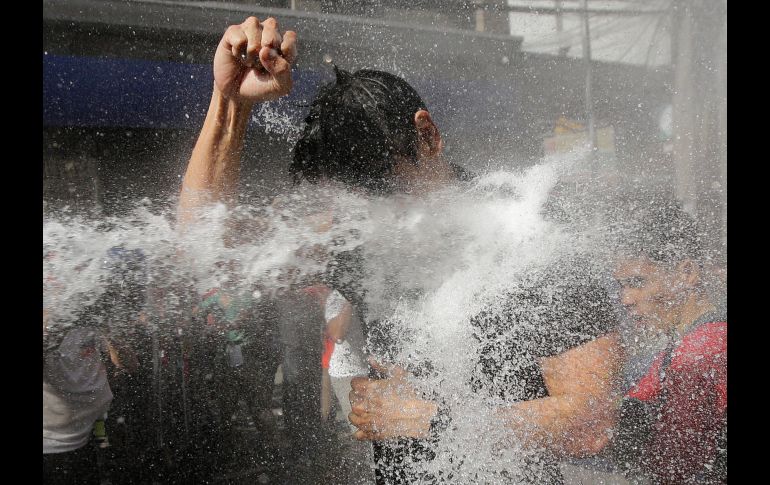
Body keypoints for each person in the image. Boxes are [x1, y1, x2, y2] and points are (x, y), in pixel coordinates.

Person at [178, 16, 622, 484]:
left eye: (386, 193)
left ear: (427, 136)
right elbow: (210, 253)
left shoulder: (534, 247)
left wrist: (433, 420)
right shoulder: (365, 241)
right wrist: (229, 105)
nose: (376, 217)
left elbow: (590, 420)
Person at [604, 194, 727, 484]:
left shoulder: (701, 352)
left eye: (637, 283)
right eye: (620, 287)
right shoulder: (691, 340)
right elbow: (639, 397)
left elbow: (672, 467)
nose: (626, 300)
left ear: (686, 273)